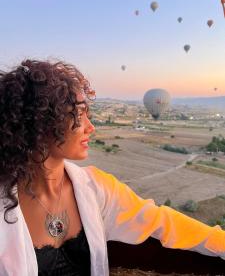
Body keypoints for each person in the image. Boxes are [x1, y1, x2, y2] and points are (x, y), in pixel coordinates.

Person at [0, 59, 225, 276]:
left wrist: (220, 242)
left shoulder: (97, 188)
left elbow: (161, 221)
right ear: (39, 123)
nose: (91, 127)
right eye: (79, 115)